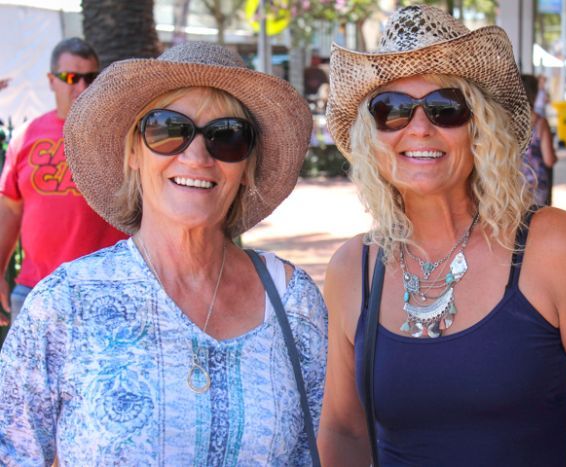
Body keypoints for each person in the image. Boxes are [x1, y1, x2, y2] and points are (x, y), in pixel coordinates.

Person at [318, 5, 566, 466]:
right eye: (391, 110)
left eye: (445, 109)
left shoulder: (553, 247)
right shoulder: (352, 267)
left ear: (480, 126)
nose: (419, 128)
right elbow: (342, 428)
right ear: (371, 134)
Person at [0, 41, 327, 464]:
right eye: (168, 129)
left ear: (246, 166)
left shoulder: (293, 302)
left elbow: (320, 447)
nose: (197, 156)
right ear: (133, 152)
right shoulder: (63, 304)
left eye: (226, 137)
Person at [0, 38, 127, 326]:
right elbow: (9, 208)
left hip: (108, 289)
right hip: (37, 288)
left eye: (90, 78)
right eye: (70, 78)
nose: (81, 87)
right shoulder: (25, 135)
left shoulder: (120, 136)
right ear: (51, 81)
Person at [521, 74, 558, 205]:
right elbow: (549, 160)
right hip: (535, 186)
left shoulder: (504, 121)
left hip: (511, 187)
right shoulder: (540, 123)